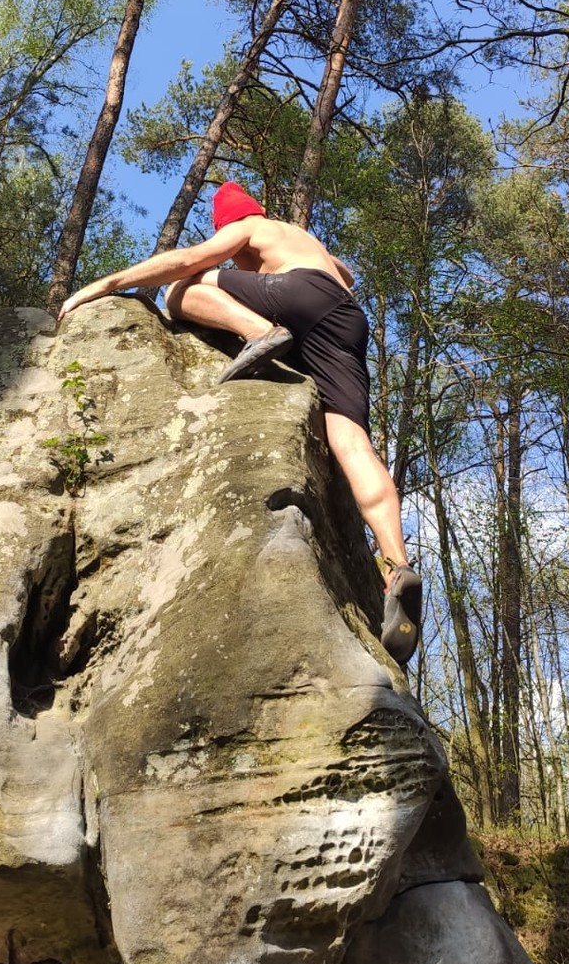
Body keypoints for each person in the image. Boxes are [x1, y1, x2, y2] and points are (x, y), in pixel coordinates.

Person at [58, 181, 422, 665]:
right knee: (351, 442)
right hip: (346, 318)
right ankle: (397, 565)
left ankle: (259, 332)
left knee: (181, 288)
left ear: (229, 222)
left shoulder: (247, 226)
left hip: (297, 295)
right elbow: (347, 274)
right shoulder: (297, 237)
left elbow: (189, 260)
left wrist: (105, 285)